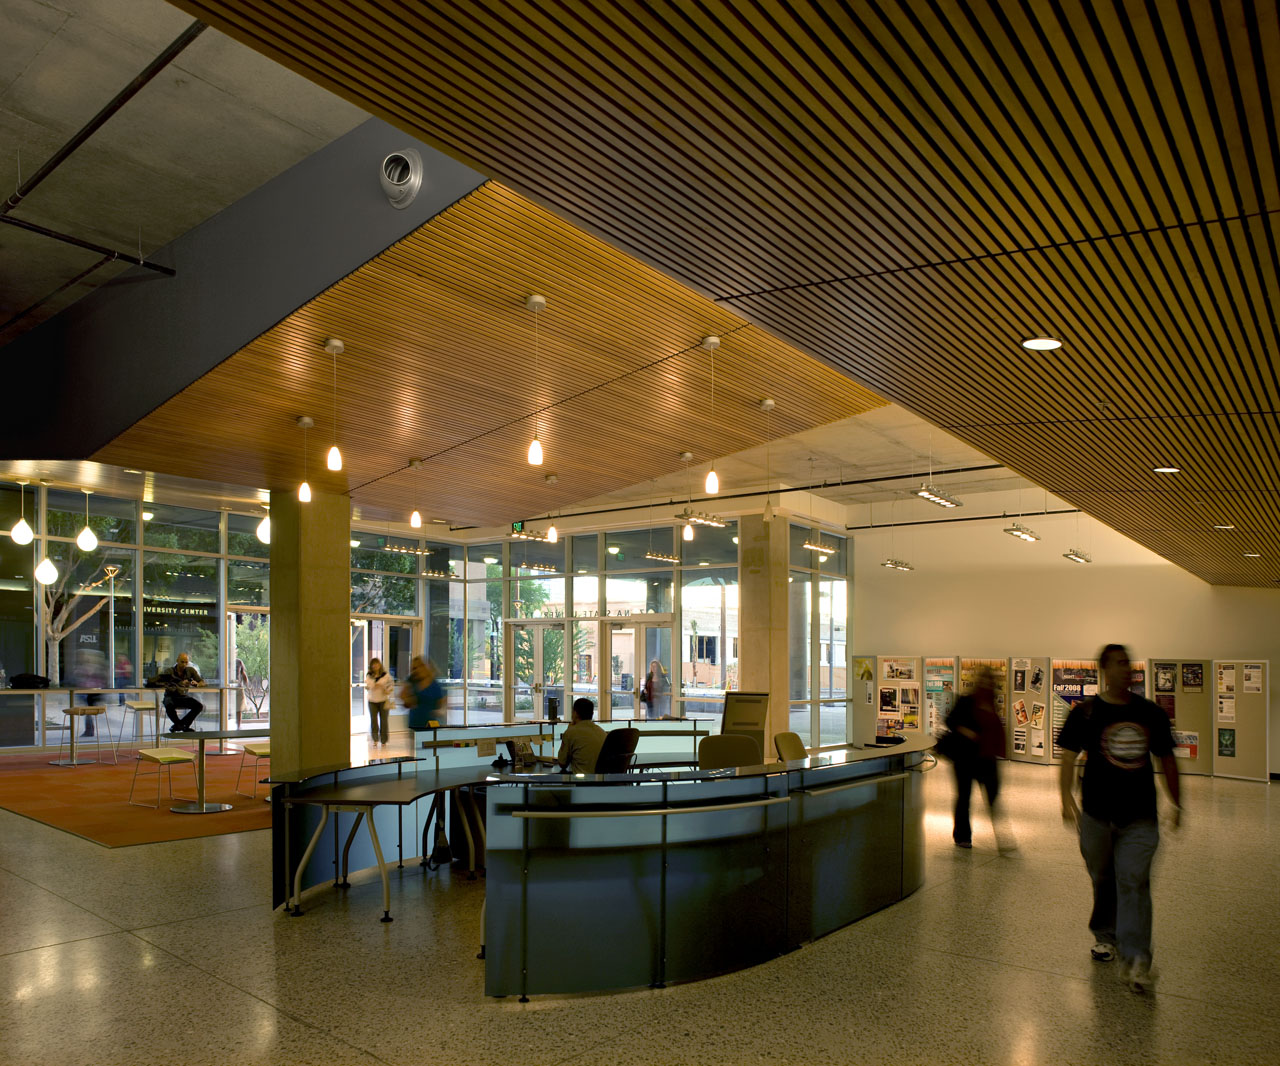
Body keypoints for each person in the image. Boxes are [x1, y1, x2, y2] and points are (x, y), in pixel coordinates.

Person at [1058, 643, 1180, 994]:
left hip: (1140, 816)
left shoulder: (1151, 713)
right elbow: (1068, 755)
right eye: (1119, 663)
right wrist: (1065, 798)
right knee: (1103, 876)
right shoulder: (1086, 713)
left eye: (1129, 663)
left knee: (1134, 880)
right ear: (1104, 670)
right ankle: (1105, 935)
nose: (1127, 669)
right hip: (1096, 814)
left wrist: (1177, 802)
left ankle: (1137, 957)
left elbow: (1167, 759)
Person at [945, 665, 1014, 851]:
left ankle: (1003, 839)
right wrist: (968, 732)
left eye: (989, 680)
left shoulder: (991, 702)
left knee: (993, 797)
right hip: (965, 759)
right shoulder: (966, 701)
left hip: (986, 759)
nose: (987, 683)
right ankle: (962, 837)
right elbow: (950, 721)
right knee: (964, 798)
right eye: (984, 679)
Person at [152, 652, 204, 732]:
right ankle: (182, 726)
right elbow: (162, 684)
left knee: (199, 706)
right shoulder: (169, 671)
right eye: (182, 662)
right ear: (177, 661)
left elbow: (202, 682)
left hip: (183, 696)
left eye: (186, 662)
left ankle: (179, 725)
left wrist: (197, 684)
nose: (184, 664)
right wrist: (180, 683)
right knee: (169, 705)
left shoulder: (190, 671)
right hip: (171, 696)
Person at [555, 697, 607, 773]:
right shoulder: (602, 732)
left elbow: (562, 763)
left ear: (575, 713)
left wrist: (568, 730)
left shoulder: (571, 732)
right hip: (602, 781)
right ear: (592, 714)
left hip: (582, 781)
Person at [404, 656, 445, 730]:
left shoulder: (434, 685)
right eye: (414, 668)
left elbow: (441, 704)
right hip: (415, 723)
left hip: (430, 724)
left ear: (424, 667)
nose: (416, 670)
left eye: (418, 667)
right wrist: (408, 699)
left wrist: (440, 711)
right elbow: (405, 700)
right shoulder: (412, 681)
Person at [366, 657, 395, 745]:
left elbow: (390, 685)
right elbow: (368, 686)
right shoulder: (369, 675)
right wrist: (373, 685)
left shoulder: (385, 675)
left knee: (384, 721)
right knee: (374, 720)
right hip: (372, 700)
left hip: (383, 700)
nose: (375, 666)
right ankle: (375, 739)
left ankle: (384, 741)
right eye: (373, 664)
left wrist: (386, 689)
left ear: (380, 665)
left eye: (377, 663)